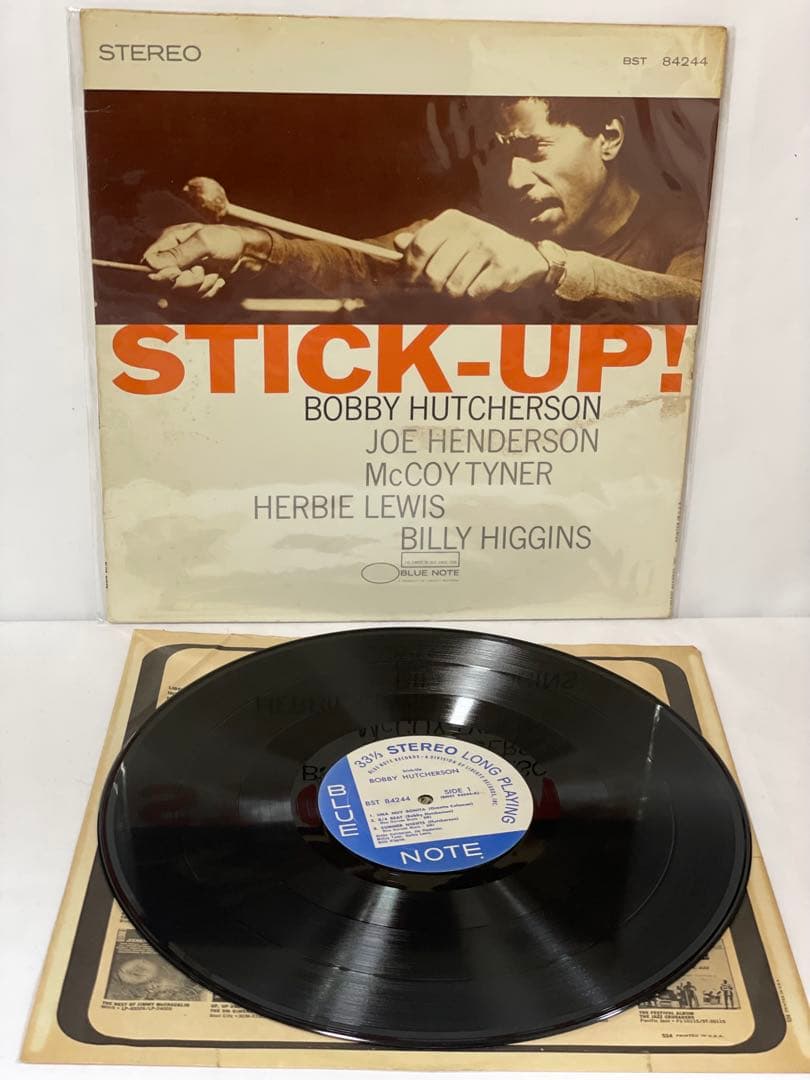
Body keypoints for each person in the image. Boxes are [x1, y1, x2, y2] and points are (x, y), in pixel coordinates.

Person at [143, 96, 707, 323]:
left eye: (536, 149)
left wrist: (548, 265)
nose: (513, 179)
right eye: (498, 157)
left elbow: (700, 307)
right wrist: (249, 245)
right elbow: (365, 263)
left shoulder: (688, 225)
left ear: (609, 138)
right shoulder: (493, 215)